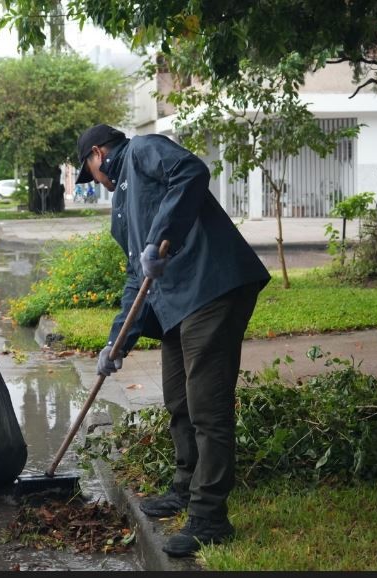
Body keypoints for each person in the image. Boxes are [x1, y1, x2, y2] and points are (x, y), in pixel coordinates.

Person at [75, 124, 270, 557]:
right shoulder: (122, 206)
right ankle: (185, 487)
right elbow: (136, 277)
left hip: (212, 287)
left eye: (92, 172)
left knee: (207, 407)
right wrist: (115, 345)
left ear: (98, 153)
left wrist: (163, 234)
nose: (98, 183)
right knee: (178, 400)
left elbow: (191, 171)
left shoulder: (144, 150)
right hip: (176, 304)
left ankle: (210, 517)